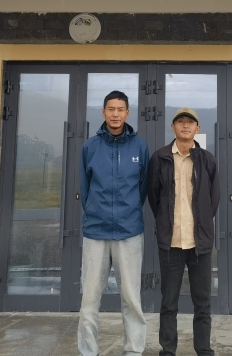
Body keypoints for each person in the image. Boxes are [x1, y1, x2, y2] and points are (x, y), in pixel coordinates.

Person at [78, 90, 149, 356]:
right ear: (104, 112)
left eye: (120, 109)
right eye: (111, 109)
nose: (115, 114)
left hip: (129, 232)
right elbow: (84, 188)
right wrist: (95, 212)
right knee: (89, 298)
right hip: (95, 233)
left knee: (131, 298)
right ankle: (88, 351)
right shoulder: (90, 147)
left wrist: (128, 212)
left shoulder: (139, 147)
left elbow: (142, 189)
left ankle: (133, 350)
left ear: (127, 113)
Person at [148, 108, 220, 356]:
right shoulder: (160, 158)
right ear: (173, 127)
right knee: (169, 302)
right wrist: (165, 222)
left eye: (191, 122)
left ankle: (204, 349)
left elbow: (213, 199)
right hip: (171, 242)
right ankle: (168, 350)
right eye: (181, 122)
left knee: (203, 302)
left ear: (197, 128)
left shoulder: (207, 160)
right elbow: (154, 197)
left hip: (200, 243)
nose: (186, 125)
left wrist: (202, 223)